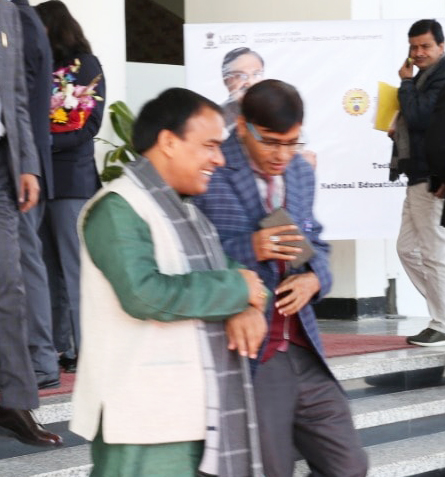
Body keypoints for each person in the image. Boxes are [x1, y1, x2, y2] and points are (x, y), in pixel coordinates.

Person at [70, 88, 268, 477]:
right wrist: (238, 292)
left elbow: (234, 273)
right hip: (142, 418)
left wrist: (247, 303)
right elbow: (144, 294)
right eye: (210, 145)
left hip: (191, 408)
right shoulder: (118, 207)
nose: (220, 159)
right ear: (169, 142)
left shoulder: (185, 212)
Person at [194, 79, 368, 477]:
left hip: (304, 344)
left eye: (292, 143)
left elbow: (315, 243)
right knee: (271, 469)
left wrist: (315, 280)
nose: (282, 155)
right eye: (271, 142)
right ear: (243, 126)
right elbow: (189, 253)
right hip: (251, 350)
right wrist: (250, 247)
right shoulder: (211, 168)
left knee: (350, 466)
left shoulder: (300, 172)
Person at [0, 0, 62, 447]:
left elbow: (17, 94)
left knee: (9, 286)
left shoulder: (8, 10)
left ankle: (12, 401)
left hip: (3, 167)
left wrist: (28, 165)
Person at [35, 0, 106, 372]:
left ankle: (87, 347)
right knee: (47, 268)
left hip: (72, 180)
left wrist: (46, 140)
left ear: (54, 27)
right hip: (39, 179)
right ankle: (58, 346)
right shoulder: (38, 66)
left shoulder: (86, 65)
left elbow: (89, 125)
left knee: (75, 268)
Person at [12, 0, 60, 390]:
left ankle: (41, 359)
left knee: (26, 262)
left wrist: (26, 166)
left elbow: (19, 100)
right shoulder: (24, 18)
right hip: (24, 162)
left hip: (19, 165)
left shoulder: (19, 19)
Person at [389, 19, 445, 346]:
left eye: (425, 46)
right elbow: (418, 121)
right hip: (416, 174)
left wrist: (406, 83)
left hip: (431, 176)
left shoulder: (439, 77)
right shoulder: (425, 77)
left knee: (434, 252)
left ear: (441, 46)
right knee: (406, 249)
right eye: (414, 47)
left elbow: (422, 117)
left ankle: (442, 323)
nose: (419, 52)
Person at [221, 47, 264, 131]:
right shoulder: (217, 117)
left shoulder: (273, 111)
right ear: (226, 80)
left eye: (256, 74)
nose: (250, 82)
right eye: (240, 76)